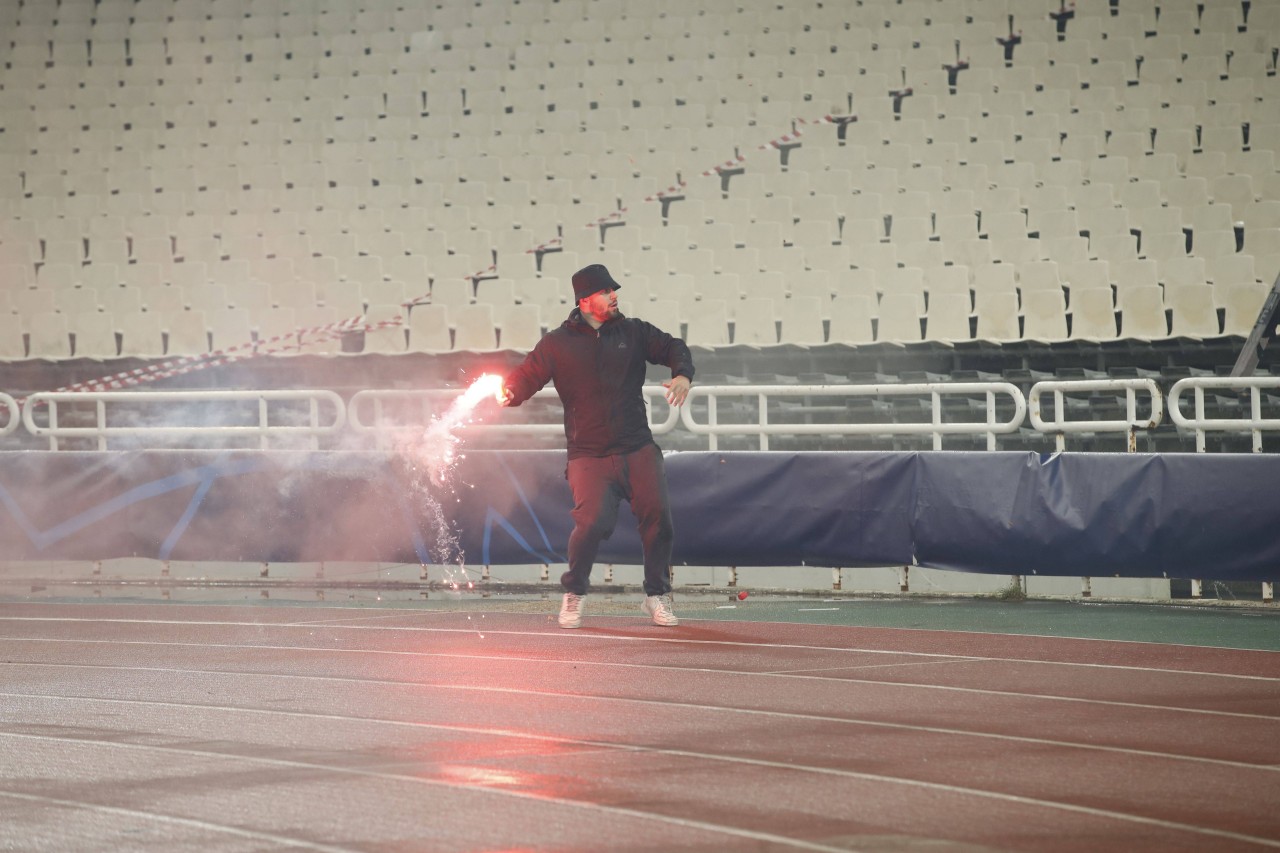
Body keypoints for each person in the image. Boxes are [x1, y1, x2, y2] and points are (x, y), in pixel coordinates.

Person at [499, 263, 694, 629]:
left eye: (613, 290)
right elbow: (527, 376)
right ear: (585, 300)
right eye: (606, 292)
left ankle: (656, 595)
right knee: (590, 524)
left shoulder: (634, 331)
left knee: (659, 519)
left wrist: (682, 374)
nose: (614, 296)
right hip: (587, 454)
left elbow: (673, 346)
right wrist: (510, 392)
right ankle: (574, 592)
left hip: (637, 446)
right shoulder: (556, 343)